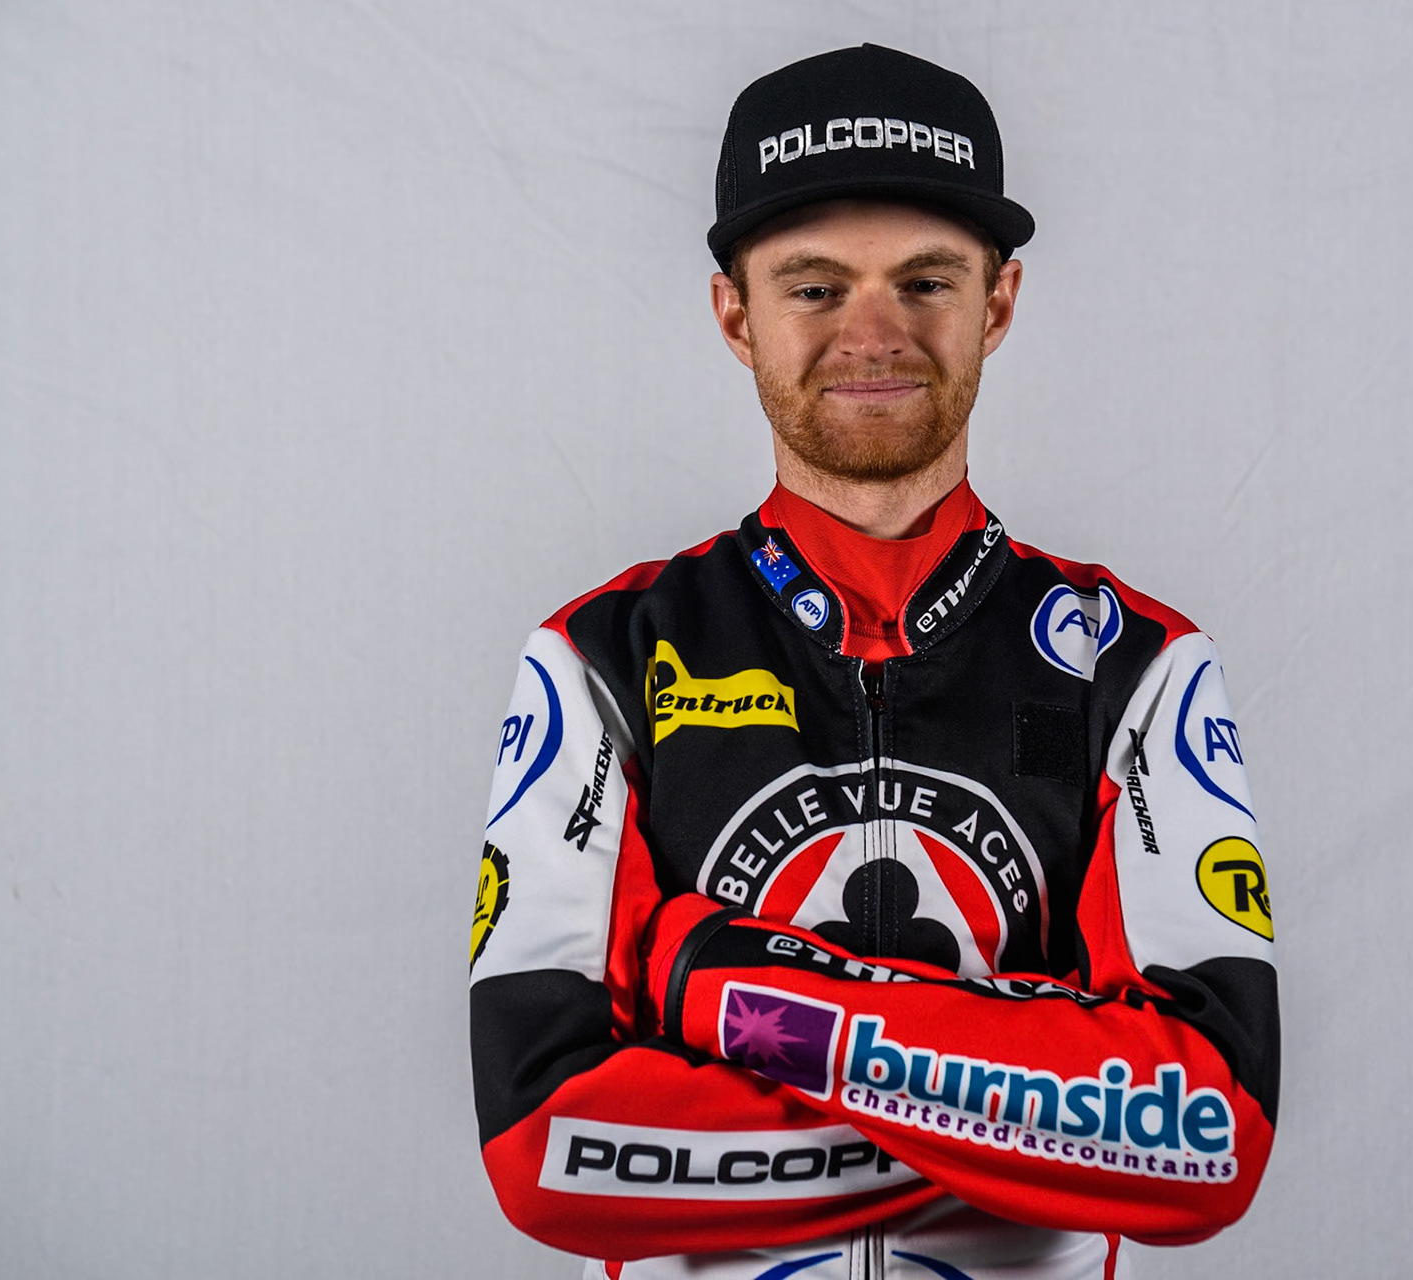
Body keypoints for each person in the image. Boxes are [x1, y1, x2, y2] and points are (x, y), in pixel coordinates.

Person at [470, 43, 1278, 1280]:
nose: (875, 332)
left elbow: (1209, 1130)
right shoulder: (598, 658)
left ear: (997, 304)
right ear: (734, 312)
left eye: (925, 280)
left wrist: (710, 983)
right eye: (813, 287)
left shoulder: (1142, 667)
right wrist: (1037, 1123)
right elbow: (546, 1137)